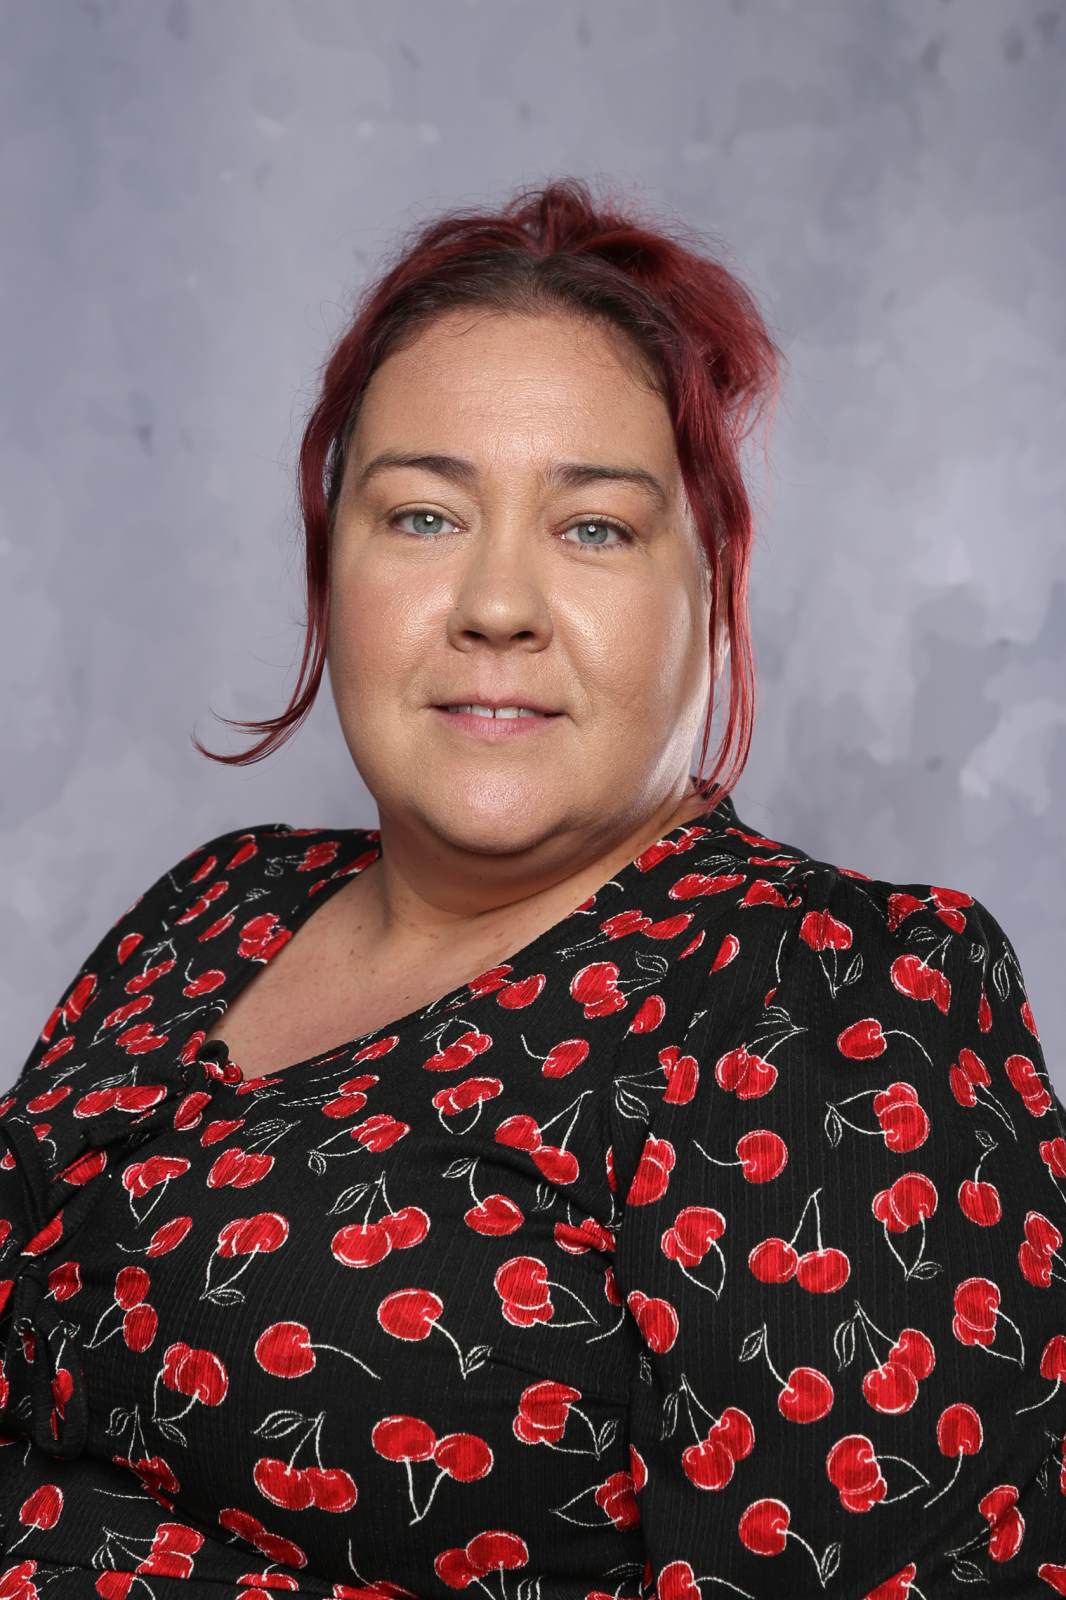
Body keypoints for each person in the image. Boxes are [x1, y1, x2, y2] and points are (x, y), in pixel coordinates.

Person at [1, 178, 1063, 1599]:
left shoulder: (837, 1001)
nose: (496, 605)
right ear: (329, 567)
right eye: (422, 516)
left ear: (711, 586)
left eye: (594, 529)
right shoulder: (212, 908)